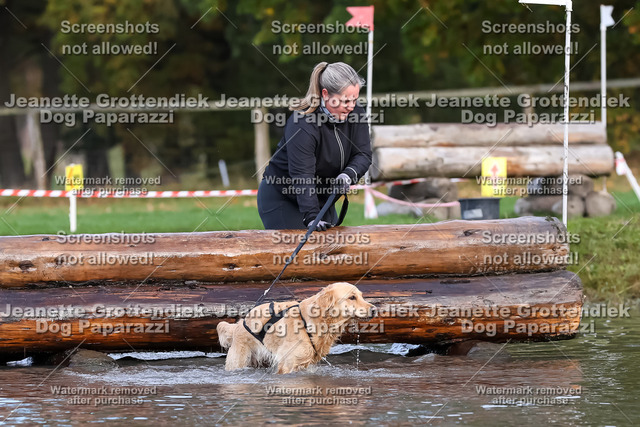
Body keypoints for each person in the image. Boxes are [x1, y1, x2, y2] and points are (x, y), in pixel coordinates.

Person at [258, 62, 372, 231]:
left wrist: (348, 174)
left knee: (332, 247)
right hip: (285, 198)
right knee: (305, 247)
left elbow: (363, 154)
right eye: (345, 100)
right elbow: (302, 175)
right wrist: (311, 216)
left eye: (354, 100)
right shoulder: (302, 124)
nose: (351, 106)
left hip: (322, 199)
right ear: (325, 94)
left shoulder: (356, 113)